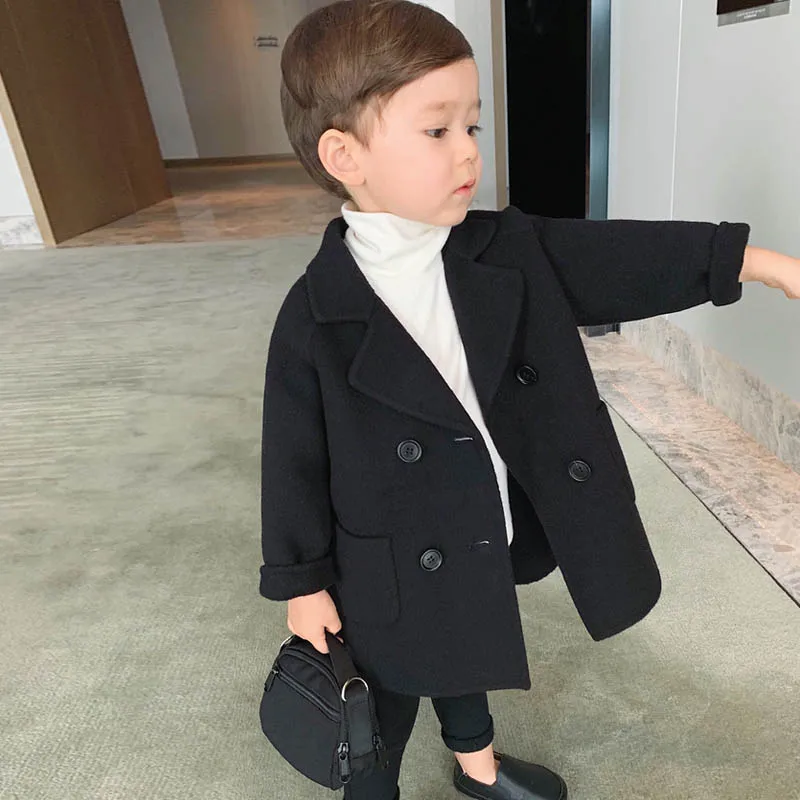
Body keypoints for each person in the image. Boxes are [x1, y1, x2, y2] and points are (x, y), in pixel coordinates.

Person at [258, 3, 800, 799]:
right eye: (437, 130)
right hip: (384, 557)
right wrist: (302, 583)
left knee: (468, 648)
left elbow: (622, 257)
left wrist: (757, 262)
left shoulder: (504, 249)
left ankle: (478, 768)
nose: (468, 151)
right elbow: (291, 463)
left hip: (474, 521)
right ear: (346, 154)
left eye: (472, 125)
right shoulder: (314, 315)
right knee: (386, 697)